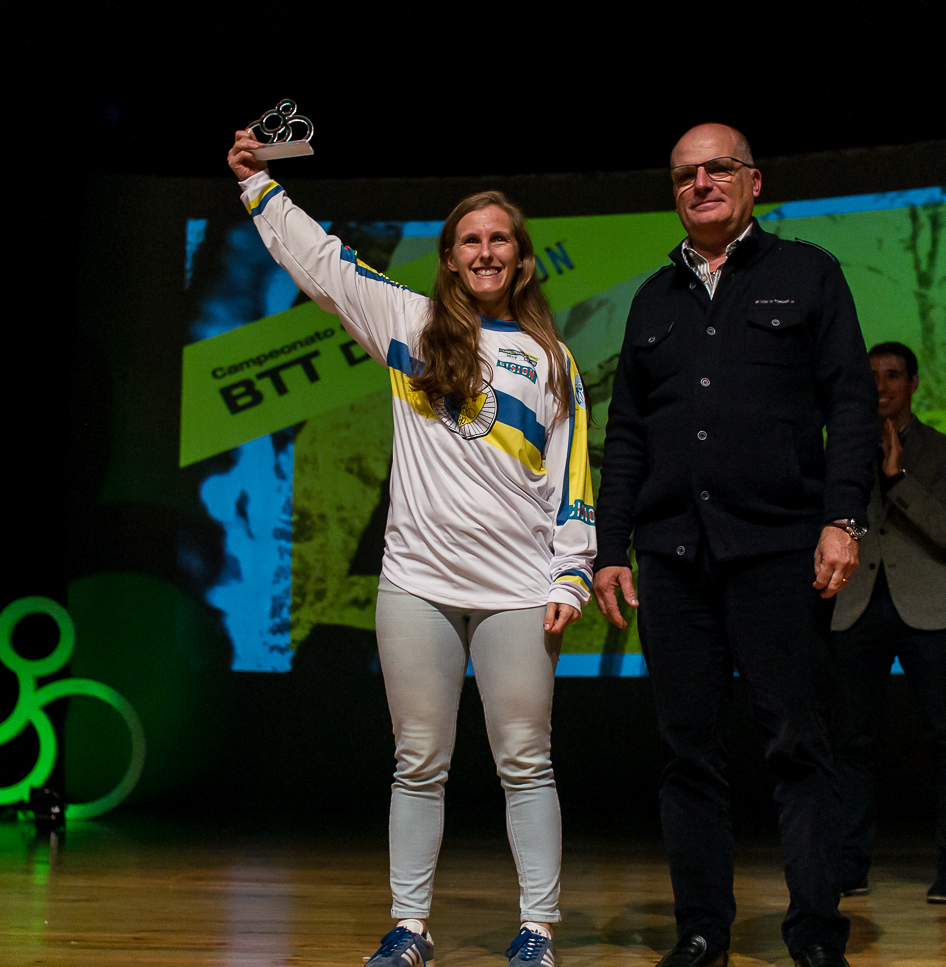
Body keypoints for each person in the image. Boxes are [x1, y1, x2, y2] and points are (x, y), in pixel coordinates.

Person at [227, 130, 596, 966]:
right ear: (450, 258)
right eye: (470, 240)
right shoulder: (411, 324)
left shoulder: (554, 360)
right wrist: (256, 187)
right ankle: (409, 927)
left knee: (526, 762)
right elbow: (322, 263)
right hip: (417, 585)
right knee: (418, 761)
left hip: (517, 589)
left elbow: (573, 478)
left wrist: (571, 572)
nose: (485, 250)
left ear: (522, 257)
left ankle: (538, 929)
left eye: (499, 238)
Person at [593, 123, 877, 967]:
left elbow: (851, 404)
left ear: (755, 181)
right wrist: (610, 549)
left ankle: (815, 931)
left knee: (797, 743)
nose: (701, 183)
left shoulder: (808, 274)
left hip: (780, 549)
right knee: (687, 751)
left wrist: (843, 518)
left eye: (719, 168)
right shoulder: (652, 299)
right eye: (685, 174)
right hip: (672, 558)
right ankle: (702, 928)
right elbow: (627, 434)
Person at [829, 341, 946, 904]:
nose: (881, 386)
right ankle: (850, 863)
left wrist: (897, 478)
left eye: (893, 375)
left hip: (926, 607)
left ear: (914, 383)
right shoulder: (840, 449)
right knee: (852, 741)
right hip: (856, 604)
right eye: (871, 375)